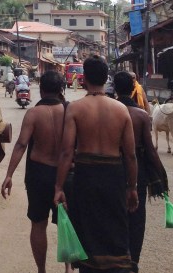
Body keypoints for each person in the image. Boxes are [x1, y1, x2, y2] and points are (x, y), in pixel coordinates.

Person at [54, 55, 138, 273]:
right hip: (114, 174)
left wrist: (59, 187)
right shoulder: (121, 110)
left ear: (85, 79)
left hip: (86, 174)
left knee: (88, 227)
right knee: (116, 226)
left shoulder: (75, 108)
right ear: (105, 78)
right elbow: (130, 155)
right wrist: (132, 187)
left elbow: (66, 152)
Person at [1, 71, 72, 273]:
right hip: (64, 174)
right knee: (65, 222)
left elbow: (21, 145)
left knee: (38, 224)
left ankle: (42, 270)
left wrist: (8, 175)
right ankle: (68, 268)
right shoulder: (69, 112)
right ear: (61, 90)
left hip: (39, 174)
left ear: (40, 90)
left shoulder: (33, 113)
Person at [113, 71, 168, 273]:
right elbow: (150, 149)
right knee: (136, 216)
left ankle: (117, 256)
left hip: (114, 167)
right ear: (133, 88)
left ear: (116, 90)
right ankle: (132, 261)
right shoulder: (141, 115)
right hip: (139, 169)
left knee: (117, 212)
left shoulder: (112, 112)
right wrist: (161, 172)